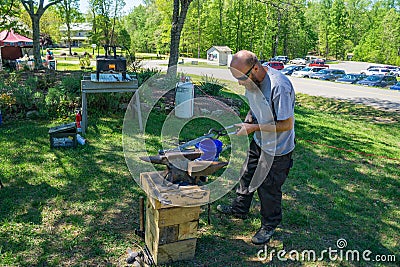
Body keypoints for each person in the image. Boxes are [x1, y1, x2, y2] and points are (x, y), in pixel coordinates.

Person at [217, 50, 295, 245]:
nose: (240, 83)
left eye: (242, 78)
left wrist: (253, 128)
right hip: (260, 141)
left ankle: (269, 225)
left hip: (278, 149)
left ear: (257, 68)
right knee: (247, 173)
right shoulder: (252, 82)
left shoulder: (279, 87)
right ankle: (239, 209)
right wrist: (248, 121)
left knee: (268, 187)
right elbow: (256, 106)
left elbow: (286, 124)